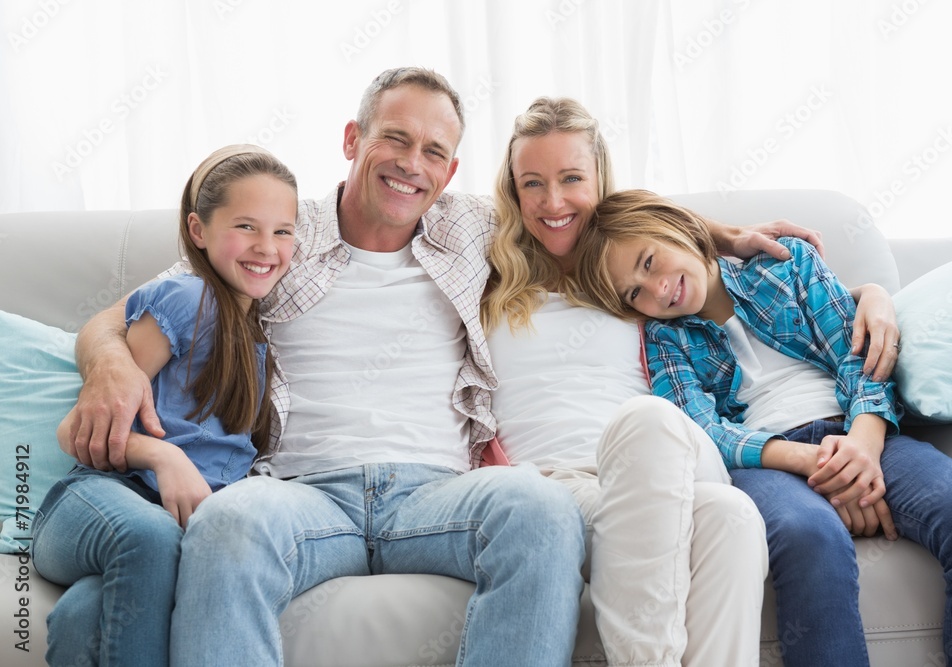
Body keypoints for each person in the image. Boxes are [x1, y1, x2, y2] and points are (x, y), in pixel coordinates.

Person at [62, 68, 588, 666]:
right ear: (351, 140)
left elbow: (605, 224)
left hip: (437, 492)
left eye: (434, 151)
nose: (412, 164)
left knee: (542, 509)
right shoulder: (278, 231)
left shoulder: (474, 228)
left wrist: (713, 244)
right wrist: (110, 363)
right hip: (301, 492)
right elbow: (118, 316)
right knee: (228, 520)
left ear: (451, 170)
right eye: (395, 138)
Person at [482, 97, 903, 666]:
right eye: (532, 183)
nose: (553, 201)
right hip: (558, 478)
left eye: (572, 178)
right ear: (511, 190)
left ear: (601, 179)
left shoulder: (625, 276)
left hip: (666, 459)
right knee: (732, 518)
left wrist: (873, 295)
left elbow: (753, 301)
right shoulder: (486, 267)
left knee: (654, 421)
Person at [574, 188, 952, 666]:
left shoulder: (787, 266)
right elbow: (704, 429)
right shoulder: (663, 336)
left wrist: (863, 442)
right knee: (807, 537)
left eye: (650, 262)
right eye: (635, 293)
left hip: (855, 427)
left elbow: (855, 355)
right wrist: (801, 458)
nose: (656, 289)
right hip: (765, 463)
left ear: (681, 229)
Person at [31, 145, 299, 667]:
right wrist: (164, 457)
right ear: (199, 232)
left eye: (282, 231)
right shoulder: (188, 299)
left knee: (84, 617)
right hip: (94, 502)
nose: (267, 247)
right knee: (150, 537)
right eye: (246, 226)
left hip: (163, 536)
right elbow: (74, 430)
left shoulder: (257, 338)